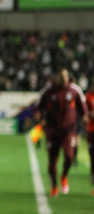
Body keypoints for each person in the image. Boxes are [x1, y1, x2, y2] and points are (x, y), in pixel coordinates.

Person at [35, 69, 88, 197]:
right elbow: (38, 106)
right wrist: (37, 115)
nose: (64, 79)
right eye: (61, 76)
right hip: (52, 131)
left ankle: (64, 176)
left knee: (69, 157)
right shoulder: (48, 91)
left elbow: (83, 109)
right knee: (52, 161)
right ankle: (54, 186)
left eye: (65, 76)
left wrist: (85, 118)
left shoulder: (75, 90)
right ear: (56, 77)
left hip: (69, 131)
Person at [85, 83, 94, 195]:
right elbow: (84, 112)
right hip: (91, 131)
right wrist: (90, 114)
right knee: (93, 158)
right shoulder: (88, 96)